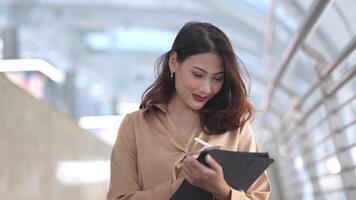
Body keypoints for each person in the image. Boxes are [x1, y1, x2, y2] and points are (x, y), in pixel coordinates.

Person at [107, 21, 271, 200]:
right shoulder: (135, 126)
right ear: (174, 62)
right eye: (198, 75)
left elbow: (259, 196)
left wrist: (222, 190)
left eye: (217, 79)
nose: (206, 88)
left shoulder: (236, 126)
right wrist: (177, 187)